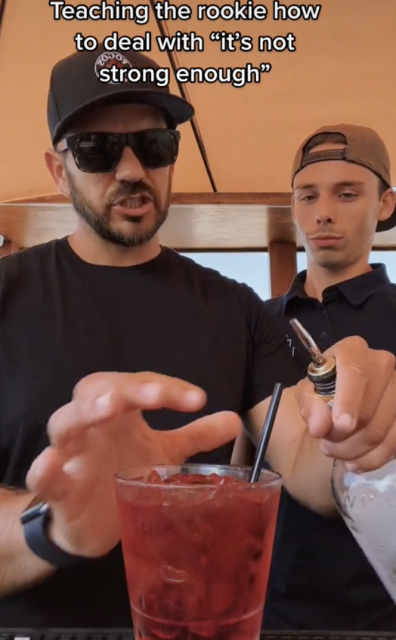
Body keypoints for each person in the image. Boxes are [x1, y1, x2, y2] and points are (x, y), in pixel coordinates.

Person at [0, 45, 396, 629]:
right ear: (59, 171)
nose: (132, 170)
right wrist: (56, 521)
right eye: (96, 149)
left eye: (154, 146)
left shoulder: (234, 307)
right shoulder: (7, 292)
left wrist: (359, 435)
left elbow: (307, 466)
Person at [260, 124, 396, 631]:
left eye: (347, 193)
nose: (323, 212)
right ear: (292, 207)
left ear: (384, 205)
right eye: (308, 195)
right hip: (266, 610)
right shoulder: (255, 323)